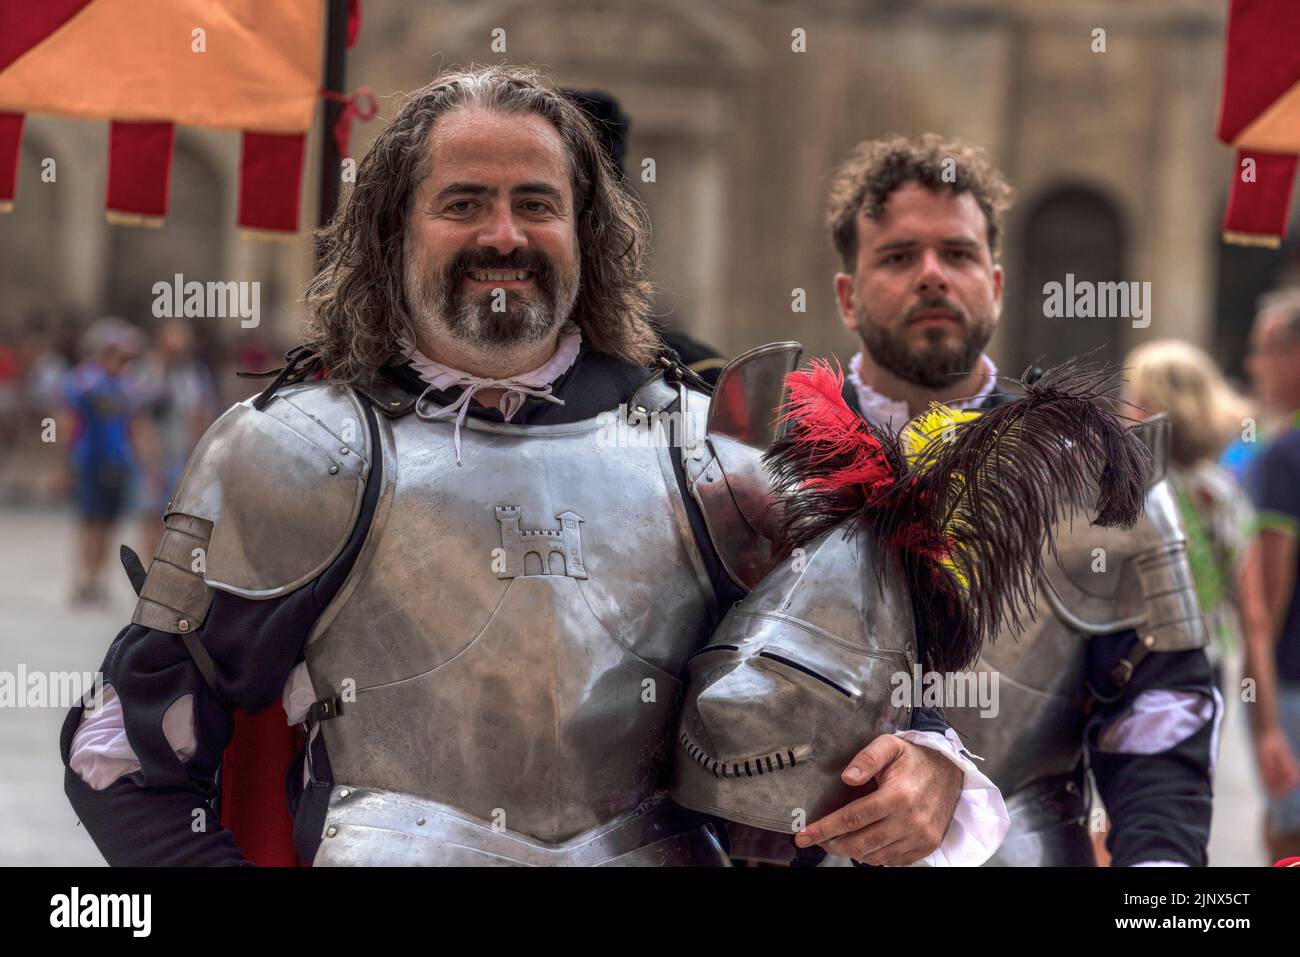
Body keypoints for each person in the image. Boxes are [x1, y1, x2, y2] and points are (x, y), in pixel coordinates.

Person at [60, 66, 998, 867]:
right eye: (462, 203)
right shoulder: (293, 451)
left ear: (586, 234)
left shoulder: (717, 452)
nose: (502, 236)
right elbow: (118, 753)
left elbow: (865, 707)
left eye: (535, 204)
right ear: (396, 234)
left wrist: (930, 762)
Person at [812, 133, 1217, 867]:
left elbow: (1161, 718)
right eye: (899, 256)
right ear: (846, 294)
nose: (932, 275)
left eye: (958, 254)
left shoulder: (1096, 475)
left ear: (997, 283)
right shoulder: (762, 465)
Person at [1122, 340, 1255, 694]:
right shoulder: (1221, 490)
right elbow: (1250, 607)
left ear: (1154, 407)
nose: (1125, 408)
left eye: (1135, 398)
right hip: (1206, 668)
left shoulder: (1145, 491)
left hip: (1147, 671)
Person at [1237, 292, 1300, 863]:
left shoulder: (1284, 455)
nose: (1254, 366)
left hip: (1293, 685)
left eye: (1263, 352)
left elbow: (1266, 603)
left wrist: (1263, 721)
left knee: (1289, 840)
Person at [60, 316, 143, 604]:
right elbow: (69, 420)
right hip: (91, 461)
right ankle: (86, 579)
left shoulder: (125, 383)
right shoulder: (87, 380)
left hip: (118, 462)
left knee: (108, 524)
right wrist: (62, 464)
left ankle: (98, 578)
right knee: (91, 522)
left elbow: (134, 422)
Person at [130, 318, 218, 560]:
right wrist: (146, 456)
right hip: (153, 459)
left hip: (184, 457)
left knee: (181, 520)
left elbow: (203, 412)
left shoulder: (194, 375)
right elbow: (138, 416)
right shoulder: (146, 371)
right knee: (151, 516)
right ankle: (150, 572)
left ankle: (171, 571)